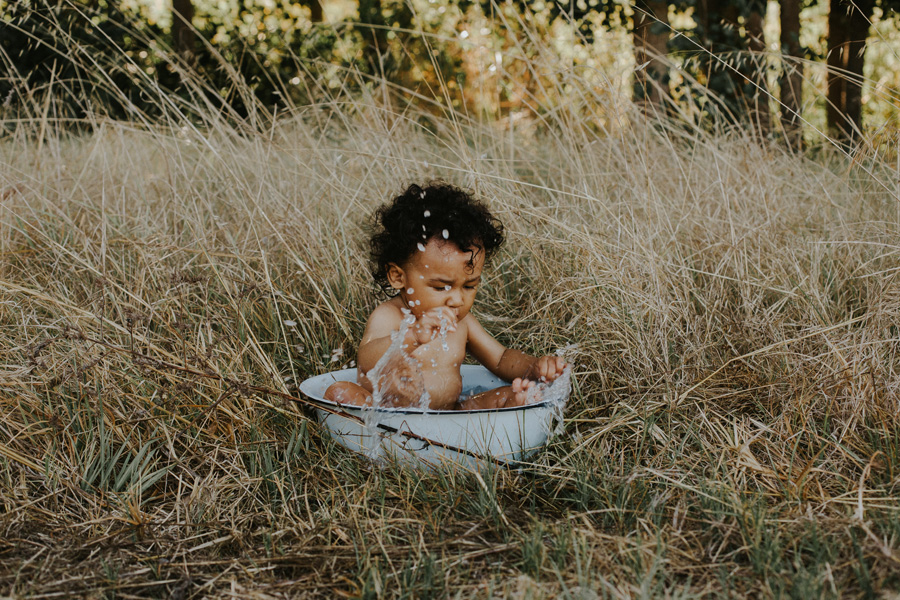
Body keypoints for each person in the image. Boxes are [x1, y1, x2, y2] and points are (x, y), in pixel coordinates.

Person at [324, 182, 567, 410]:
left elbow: (501, 358)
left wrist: (535, 367)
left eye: (469, 286)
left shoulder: (462, 322)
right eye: (441, 287)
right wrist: (412, 336)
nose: (457, 300)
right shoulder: (390, 316)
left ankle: (519, 405)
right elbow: (368, 362)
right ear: (398, 277)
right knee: (341, 392)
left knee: (505, 395)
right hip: (388, 413)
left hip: (450, 413)